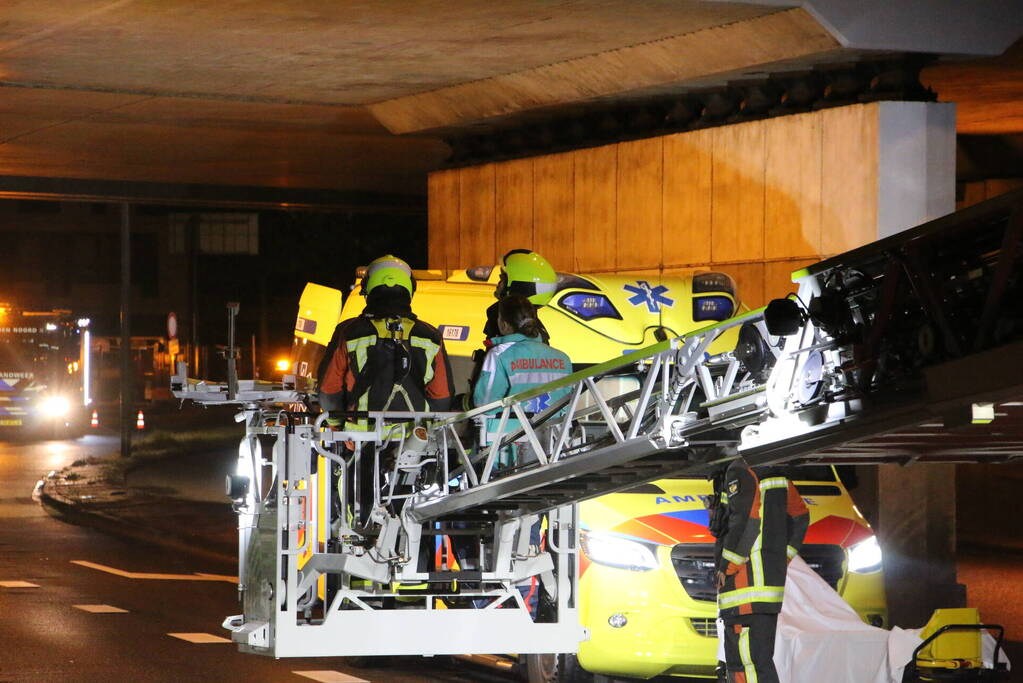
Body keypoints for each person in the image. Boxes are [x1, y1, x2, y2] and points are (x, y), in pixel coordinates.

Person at [317, 255, 454, 525]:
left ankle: (362, 536)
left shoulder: (350, 332)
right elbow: (442, 396)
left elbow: (329, 390)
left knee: (359, 510)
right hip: (413, 442)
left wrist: (336, 425)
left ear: (368, 290)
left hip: (362, 440)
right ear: (409, 290)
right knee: (411, 513)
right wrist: (427, 429)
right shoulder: (429, 336)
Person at [711, 456, 809, 683]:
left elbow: (746, 521)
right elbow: (800, 517)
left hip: (745, 589)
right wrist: (780, 559)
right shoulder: (776, 474)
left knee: (747, 665)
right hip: (764, 593)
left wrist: (727, 567)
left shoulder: (740, 471)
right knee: (757, 663)